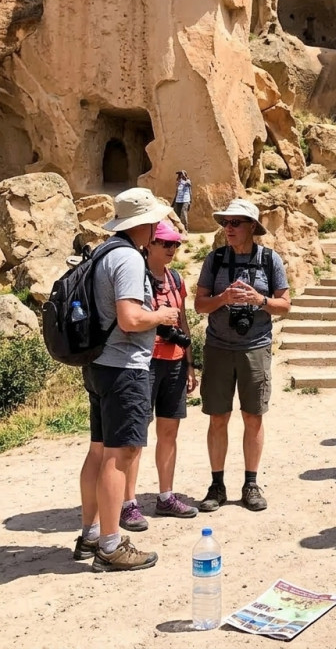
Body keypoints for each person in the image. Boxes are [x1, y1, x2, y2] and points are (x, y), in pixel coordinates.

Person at [75, 188, 180, 572]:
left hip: (99, 364)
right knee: (121, 456)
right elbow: (130, 318)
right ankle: (111, 544)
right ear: (146, 223)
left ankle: (89, 535)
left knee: (99, 451)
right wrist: (163, 315)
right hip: (124, 367)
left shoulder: (103, 251)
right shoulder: (129, 261)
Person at [195, 198, 291, 512]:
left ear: (252, 227)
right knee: (218, 417)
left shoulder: (270, 260)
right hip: (219, 347)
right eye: (226, 223)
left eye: (236, 223)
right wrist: (224, 297)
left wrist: (258, 299)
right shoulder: (215, 259)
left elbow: (285, 305)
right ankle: (217, 484)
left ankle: (251, 483)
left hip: (255, 346)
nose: (229, 228)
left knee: (253, 416)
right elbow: (199, 305)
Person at [120, 221, 199, 529]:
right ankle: (128, 503)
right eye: (166, 244)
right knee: (135, 437)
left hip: (175, 361)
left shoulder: (175, 278)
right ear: (149, 245)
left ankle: (166, 496)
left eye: (175, 245)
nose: (171, 250)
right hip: (145, 362)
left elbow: (183, 324)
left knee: (169, 433)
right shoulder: (135, 276)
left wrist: (191, 364)